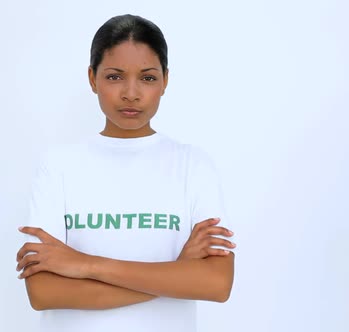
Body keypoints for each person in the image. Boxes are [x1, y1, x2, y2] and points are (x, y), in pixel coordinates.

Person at [15, 14, 236, 332]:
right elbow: (43, 292)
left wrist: (85, 265)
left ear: (165, 81)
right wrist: (176, 275)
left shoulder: (193, 166)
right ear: (92, 78)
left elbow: (216, 284)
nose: (131, 93)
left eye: (147, 78)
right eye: (115, 76)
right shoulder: (59, 166)